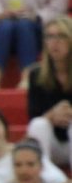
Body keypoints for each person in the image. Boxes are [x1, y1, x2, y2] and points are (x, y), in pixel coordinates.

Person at [26, 16, 72, 169]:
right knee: (38, 124)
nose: (55, 42)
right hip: (52, 144)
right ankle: (43, 177)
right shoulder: (36, 74)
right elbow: (33, 118)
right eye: (50, 36)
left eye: (61, 36)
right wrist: (52, 115)